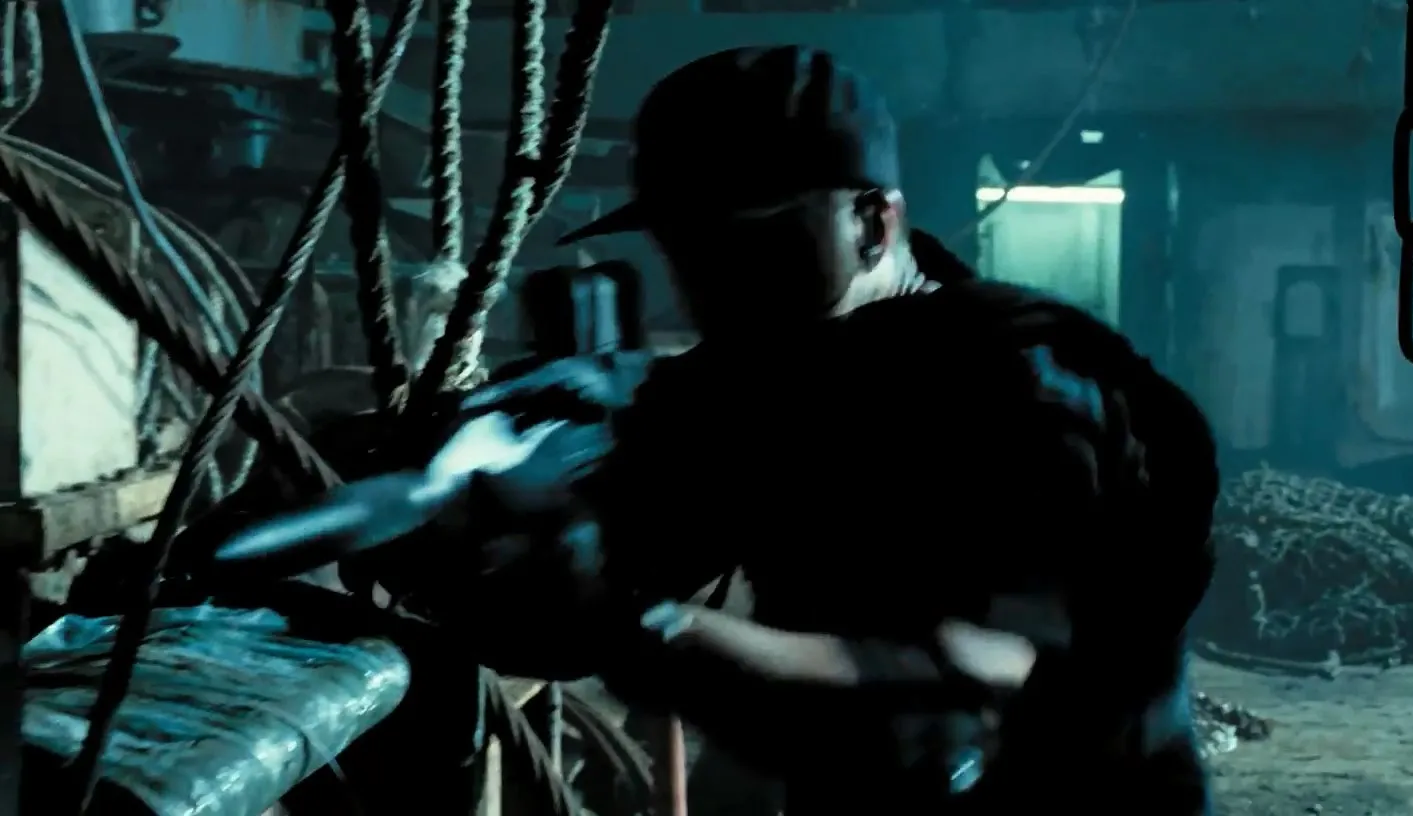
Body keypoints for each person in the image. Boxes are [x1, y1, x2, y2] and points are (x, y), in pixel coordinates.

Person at [219, 44, 1220, 816]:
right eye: (686, 251)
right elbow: (577, 601)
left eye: (755, 246)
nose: (714, 290)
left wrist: (638, 624)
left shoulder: (1033, 395)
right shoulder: (762, 383)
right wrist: (442, 521)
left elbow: (964, 705)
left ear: (875, 223)